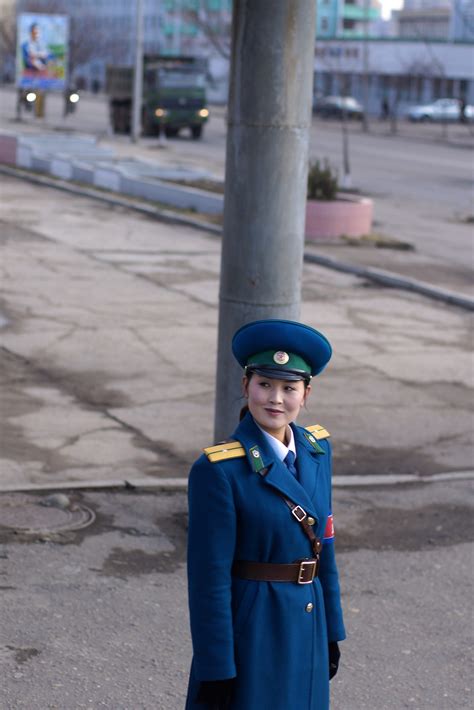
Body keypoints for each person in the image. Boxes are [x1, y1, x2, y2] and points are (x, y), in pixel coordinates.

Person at [186, 319, 346, 710]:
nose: (276, 399)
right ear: (245, 387)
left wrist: (332, 631)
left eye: (289, 388)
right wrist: (215, 666)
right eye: (264, 385)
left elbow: (324, 546)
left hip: (309, 618)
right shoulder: (219, 470)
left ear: (306, 394)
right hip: (254, 625)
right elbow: (209, 581)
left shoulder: (316, 451)